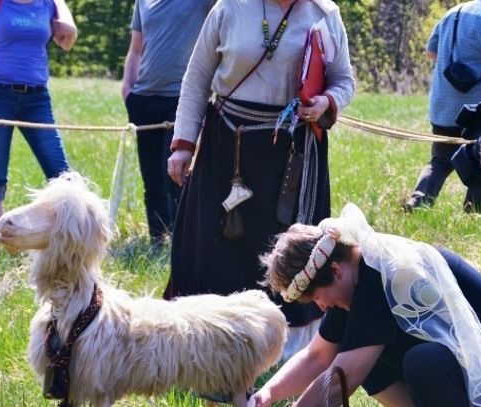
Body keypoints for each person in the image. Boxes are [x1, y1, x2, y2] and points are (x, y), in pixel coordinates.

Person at [165, 0, 355, 357]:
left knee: (289, 251)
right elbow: (197, 79)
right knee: (214, 247)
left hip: (292, 154)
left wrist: (327, 102)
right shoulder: (229, 8)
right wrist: (183, 145)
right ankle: (205, 345)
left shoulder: (324, 13)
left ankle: (284, 350)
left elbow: (344, 80)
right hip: (227, 146)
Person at [252, 203, 481, 407]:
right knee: (367, 357)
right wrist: (266, 395)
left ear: (335, 270)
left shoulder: (381, 272)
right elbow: (318, 356)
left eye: (316, 298)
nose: (322, 307)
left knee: (420, 362)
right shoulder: (353, 283)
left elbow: (345, 375)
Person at [121, 0, 216, 246]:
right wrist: (127, 89)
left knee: (175, 176)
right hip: (142, 100)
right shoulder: (143, 2)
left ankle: (182, 241)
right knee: (152, 179)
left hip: (181, 99)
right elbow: (136, 49)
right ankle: (157, 240)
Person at [404, 0, 481, 214]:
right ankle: (474, 212)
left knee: (440, 160)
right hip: (476, 110)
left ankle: (419, 202)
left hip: (443, 105)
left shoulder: (452, 13)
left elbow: (431, 52)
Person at [0, 0, 77, 230]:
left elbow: (67, 41)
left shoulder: (48, 4)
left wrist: (68, 24)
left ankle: (71, 233)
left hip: (37, 99)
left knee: (61, 172)